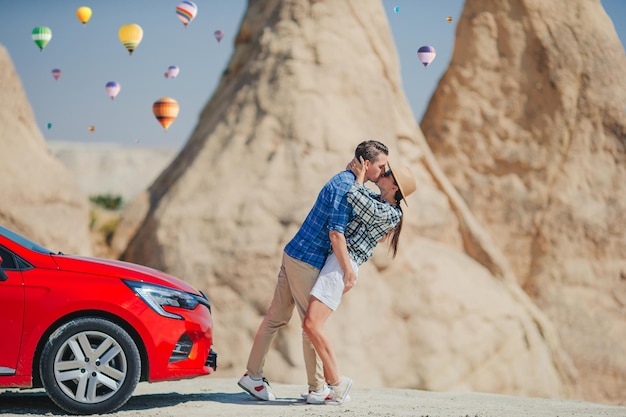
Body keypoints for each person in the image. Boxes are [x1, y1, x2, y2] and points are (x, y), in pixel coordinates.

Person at [238, 140, 390, 402]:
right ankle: (317, 388)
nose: (384, 171)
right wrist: (348, 271)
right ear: (367, 164)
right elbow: (336, 234)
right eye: (381, 166)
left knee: (276, 317)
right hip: (306, 260)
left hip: (293, 252)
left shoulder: (345, 181)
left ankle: (252, 376)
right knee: (312, 326)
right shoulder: (346, 187)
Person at [302, 158, 417, 405]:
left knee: (312, 324)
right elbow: (361, 195)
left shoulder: (390, 213)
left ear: (394, 187)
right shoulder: (379, 201)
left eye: (387, 173)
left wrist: (359, 175)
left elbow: (356, 197)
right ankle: (330, 385)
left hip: (343, 265)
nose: (382, 173)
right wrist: (357, 176)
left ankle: (337, 383)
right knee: (312, 324)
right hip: (338, 261)